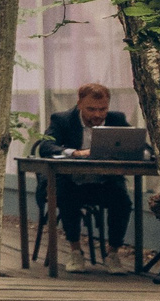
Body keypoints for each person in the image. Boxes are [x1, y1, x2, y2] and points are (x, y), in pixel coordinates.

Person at [42, 82, 133, 271]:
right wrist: (74, 152)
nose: (98, 115)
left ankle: (113, 253)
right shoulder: (62, 120)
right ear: (79, 104)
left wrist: (138, 152)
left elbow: (136, 145)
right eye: (91, 109)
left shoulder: (117, 119)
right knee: (66, 197)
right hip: (71, 182)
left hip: (103, 183)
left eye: (103, 109)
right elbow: (46, 146)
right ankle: (75, 252)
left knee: (122, 201)